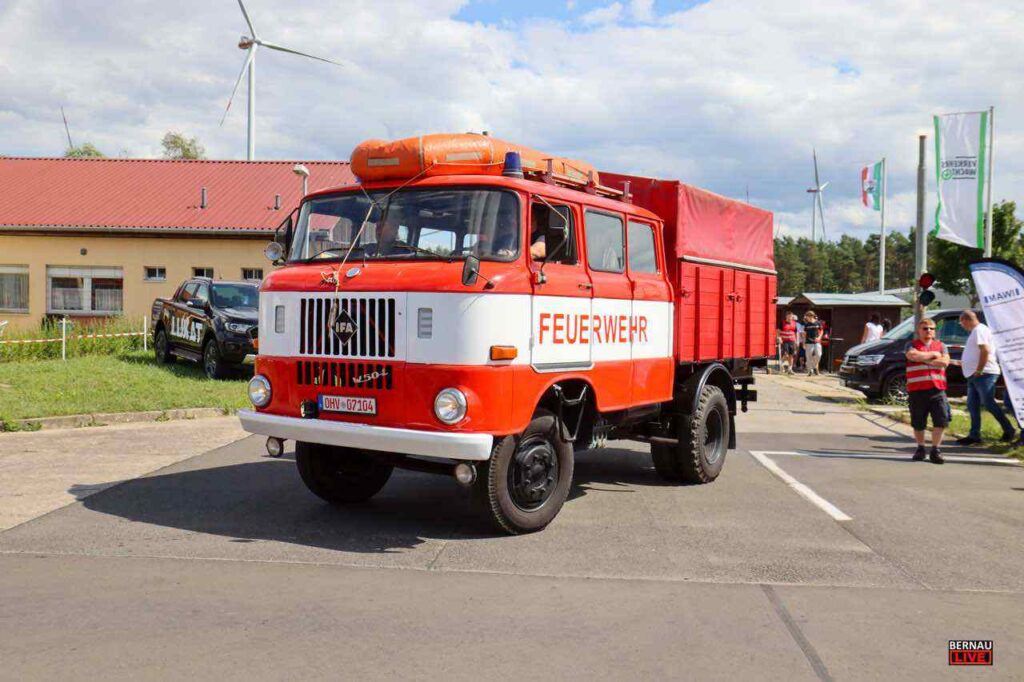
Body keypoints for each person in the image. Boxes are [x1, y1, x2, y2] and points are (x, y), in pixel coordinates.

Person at [956, 310, 1016, 445]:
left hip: (984, 374)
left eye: (961, 323)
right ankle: (974, 435)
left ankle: (1009, 429)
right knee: (972, 405)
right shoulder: (977, 331)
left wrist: (979, 369)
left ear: (966, 320)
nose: (962, 326)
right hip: (974, 375)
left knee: (988, 403)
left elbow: (985, 350)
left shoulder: (979, 330)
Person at [905, 318, 951, 463]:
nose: (929, 331)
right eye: (925, 328)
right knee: (918, 422)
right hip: (917, 390)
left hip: (937, 389)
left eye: (931, 328)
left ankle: (935, 450)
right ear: (919, 331)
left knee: (941, 420)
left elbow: (945, 362)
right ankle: (920, 448)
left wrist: (923, 358)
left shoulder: (941, 346)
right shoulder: (911, 344)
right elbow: (912, 356)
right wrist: (934, 356)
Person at [801, 311, 823, 375]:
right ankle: (810, 370)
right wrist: (803, 343)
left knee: (819, 354)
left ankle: (814, 366)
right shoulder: (807, 324)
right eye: (806, 317)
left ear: (811, 316)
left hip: (817, 342)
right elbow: (805, 334)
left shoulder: (817, 323)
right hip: (808, 342)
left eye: (807, 316)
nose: (806, 318)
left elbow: (821, 331)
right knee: (808, 356)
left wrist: (819, 338)